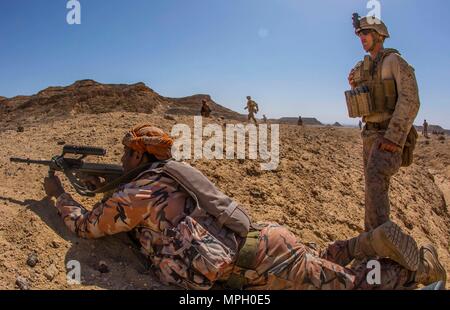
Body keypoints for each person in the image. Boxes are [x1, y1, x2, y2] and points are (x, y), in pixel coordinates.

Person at [44, 124, 445, 290]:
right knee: (319, 263)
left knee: (347, 285)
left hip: (255, 261)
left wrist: (58, 195)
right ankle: (363, 244)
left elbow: (85, 227)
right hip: (263, 241)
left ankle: (417, 272)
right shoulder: (173, 173)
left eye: (126, 154)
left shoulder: (136, 194)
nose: (123, 160)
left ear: (137, 155)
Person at [347, 14, 420, 232]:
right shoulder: (364, 67)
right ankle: (374, 237)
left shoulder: (394, 61)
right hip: (369, 134)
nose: (362, 37)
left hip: (386, 136)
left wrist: (394, 138)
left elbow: (410, 100)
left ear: (379, 36)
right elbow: (365, 103)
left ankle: (378, 241)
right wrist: (353, 86)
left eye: (366, 33)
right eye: (360, 34)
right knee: (372, 188)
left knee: (376, 183)